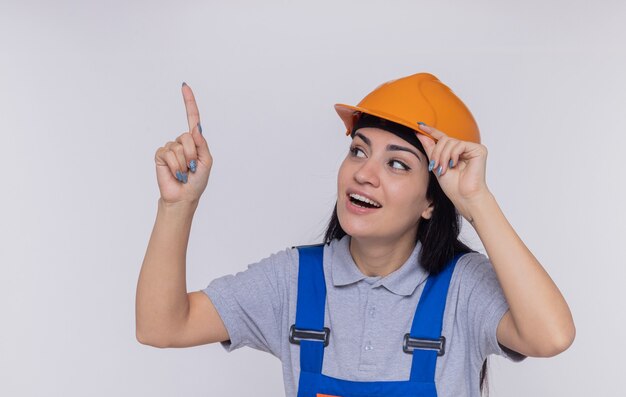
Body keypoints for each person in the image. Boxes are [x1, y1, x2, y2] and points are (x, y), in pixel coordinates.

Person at [135, 73, 575, 397]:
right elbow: (161, 326)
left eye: (397, 163)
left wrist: (476, 201)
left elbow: (551, 336)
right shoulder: (294, 280)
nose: (364, 174)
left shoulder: (463, 287)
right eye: (358, 150)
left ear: (431, 201)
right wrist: (178, 205)